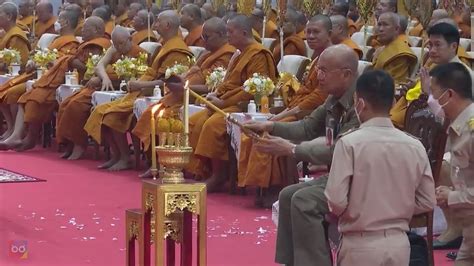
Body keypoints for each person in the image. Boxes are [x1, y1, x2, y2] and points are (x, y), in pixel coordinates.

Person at [244, 44, 359, 266]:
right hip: (340, 175)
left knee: (304, 200)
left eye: (324, 71)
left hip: (357, 178)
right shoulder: (334, 98)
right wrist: (269, 127)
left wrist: (292, 149)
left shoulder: (360, 104)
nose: (319, 76)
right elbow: (307, 128)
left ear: (346, 74)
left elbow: (340, 151)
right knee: (287, 195)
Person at [325, 70, 436, 265]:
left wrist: (362, 208)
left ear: (359, 104)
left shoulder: (350, 143)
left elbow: (336, 201)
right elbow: (427, 201)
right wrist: (398, 206)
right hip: (399, 243)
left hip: (359, 242)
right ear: (393, 104)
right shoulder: (414, 145)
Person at [238, 15, 332, 206]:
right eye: (308, 32)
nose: (310, 36)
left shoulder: (332, 58)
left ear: (329, 34)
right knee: (259, 128)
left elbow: (319, 98)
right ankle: (267, 184)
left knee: (268, 130)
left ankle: (278, 185)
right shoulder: (315, 58)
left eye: (316, 32)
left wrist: (282, 115)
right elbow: (306, 91)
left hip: (315, 114)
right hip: (301, 108)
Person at [83, 10, 193, 171]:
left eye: (158, 22)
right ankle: (117, 155)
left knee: (110, 115)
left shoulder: (177, 49)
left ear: (168, 25)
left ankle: (128, 157)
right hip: (141, 90)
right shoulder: (165, 45)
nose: (154, 25)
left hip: (156, 94)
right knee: (99, 110)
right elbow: (153, 73)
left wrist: (140, 85)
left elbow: (170, 81)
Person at [132, 17, 236, 178]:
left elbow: (214, 85)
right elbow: (193, 73)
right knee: (155, 114)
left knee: (170, 119)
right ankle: (160, 163)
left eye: (207, 37)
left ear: (221, 34)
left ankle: (178, 165)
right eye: (202, 37)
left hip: (195, 98)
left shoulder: (227, 54)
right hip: (182, 95)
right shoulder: (208, 54)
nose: (203, 41)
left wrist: (185, 87)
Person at [186, 14, 277, 191]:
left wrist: (222, 101)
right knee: (195, 119)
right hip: (227, 101)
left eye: (230, 32)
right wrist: (216, 95)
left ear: (244, 33)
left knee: (212, 125)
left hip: (245, 105)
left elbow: (254, 88)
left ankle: (219, 175)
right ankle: (206, 170)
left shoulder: (258, 54)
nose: (227, 36)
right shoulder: (238, 54)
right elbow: (229, 82)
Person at [0, 16, 110, 151]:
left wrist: (66, 60)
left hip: (76, 83)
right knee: (30, 96)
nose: (82, 31)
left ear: (98, 29)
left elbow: (88, 68)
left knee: (38, 97)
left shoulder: (100, 45)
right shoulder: (83, 44)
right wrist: (64, 60)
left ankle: (71, 144)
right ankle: (24, 136)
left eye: (86, 28)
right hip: (59, 80)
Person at [56, 26, 144, 160]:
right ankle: (70, 143)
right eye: (116, 44)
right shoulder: (114, 48)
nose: (119, 47)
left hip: (125, 91)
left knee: (77, 105)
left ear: (130, 39)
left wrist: (103, 78)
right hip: (106, 88)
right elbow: (99, 66)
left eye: (121, 43)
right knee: (66, 103)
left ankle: (80, 144)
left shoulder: (140, 53)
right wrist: (105, 77)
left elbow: (140, 78)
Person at [0, 8, 80, 141]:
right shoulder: (57, 39)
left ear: (65, 22)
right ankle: (12, 130)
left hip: (49, 81)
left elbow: (60, 64)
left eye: (59, 19)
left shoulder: (71, 42)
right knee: (6, 92)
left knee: (14, 94)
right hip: (38, 77)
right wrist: (34, 60)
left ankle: (19, 133)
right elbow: (45, 57)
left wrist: (40, 63)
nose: (56, 22)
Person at [429, 62, 474, 265]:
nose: (432, 101)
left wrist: (452, 196)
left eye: (434, 95)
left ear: (448, 95)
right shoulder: (460, 125)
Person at [390, 22, 473, 129]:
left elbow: (449, 116)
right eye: (430, 45)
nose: (432, 50)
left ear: (453, 46)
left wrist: (428, 93)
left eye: (438, 45)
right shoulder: (437, 70)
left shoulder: (462, 76)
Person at [372, 12, 417, 84]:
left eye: (385, 25)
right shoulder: (381, 49)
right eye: (379, 24)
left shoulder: (400, 53)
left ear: (396, 29)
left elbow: (395, 85)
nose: (380, 29)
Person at [0, 2, 30, 74]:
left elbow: (15, 64)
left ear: (9, 16)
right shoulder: (5, 33)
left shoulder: (16, 36)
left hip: (11, 76)